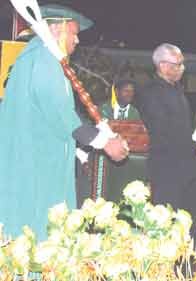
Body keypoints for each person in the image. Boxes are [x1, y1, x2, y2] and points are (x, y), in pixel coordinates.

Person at [0, 4, 128, 240]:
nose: (77, 40)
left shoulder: (35, 56)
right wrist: (104, 142)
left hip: (35, 157)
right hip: (37, 168)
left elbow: (47, 117)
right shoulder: (45, 60)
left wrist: (79, 150)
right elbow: (59, 112)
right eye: (74, 32)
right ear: (57, 29)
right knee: (37, 233)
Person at [135, 43, 196, 236]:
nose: (182, 68)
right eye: (178, 64)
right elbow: (165, 130)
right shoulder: (151, 92)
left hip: (184, 169)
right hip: (166, 169)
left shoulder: (177, 90)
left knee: (187, 225)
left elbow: (183, 129)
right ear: (163, 66)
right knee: (165, 224)